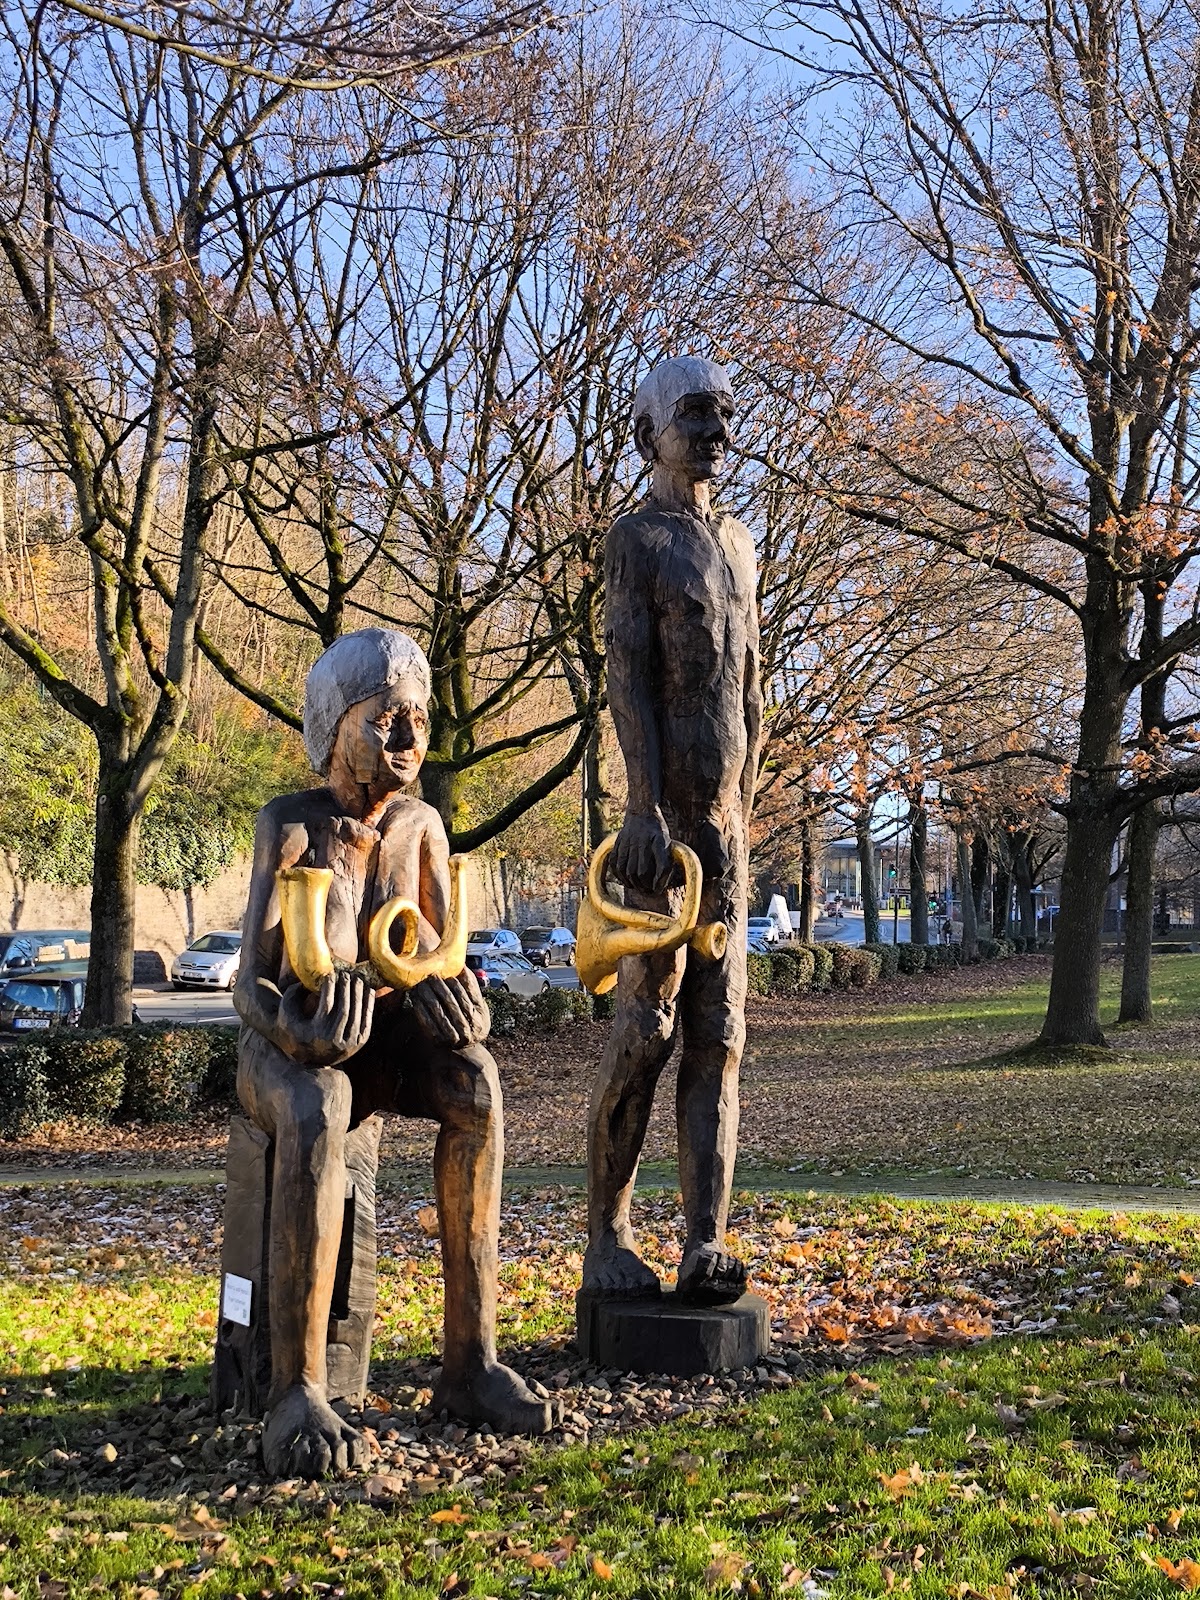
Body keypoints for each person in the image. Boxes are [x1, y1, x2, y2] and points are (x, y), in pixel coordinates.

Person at [234, 628, 552, 1480]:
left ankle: (469, 1362)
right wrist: (293, 1029)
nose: (409, 741)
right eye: (385, 721)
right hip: (291, 1048)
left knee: (476, 1087)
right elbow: (249, 987)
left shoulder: (421, 829)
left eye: (417, 720)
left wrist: (454, 997)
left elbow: (442, 952)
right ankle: (295, 1387)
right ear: (335, 726)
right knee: (317, 1105)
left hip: (382, 1039)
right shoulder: (292, 826)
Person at [584, 356, 762, 1304]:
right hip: (664, 833)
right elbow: (627, 676)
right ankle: (606, 1233)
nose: (715, 432)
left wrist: (748, 803)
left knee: (719, 1035)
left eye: (724, 415)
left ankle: (705, 1241)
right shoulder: (638, 540)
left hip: (728, 829)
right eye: (695, 414)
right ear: (646, 428)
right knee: (647, 1030)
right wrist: (643, 801)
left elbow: (752, 688)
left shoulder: (739, 541)